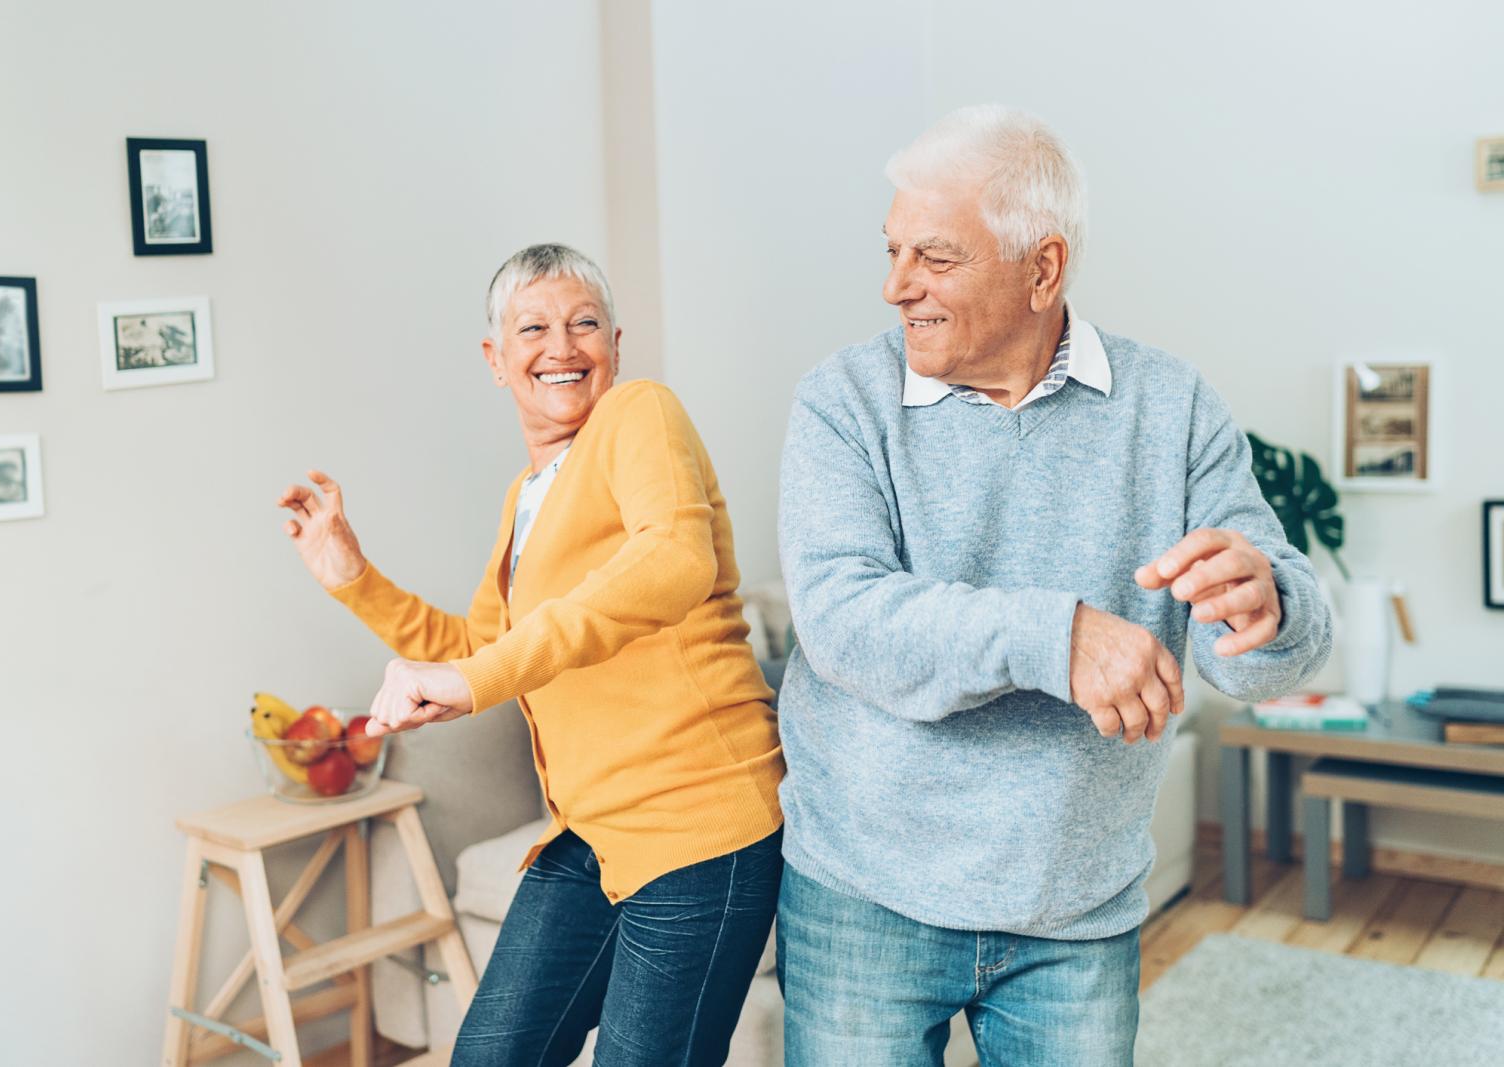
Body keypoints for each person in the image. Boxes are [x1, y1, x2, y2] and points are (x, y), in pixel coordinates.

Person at [774, 105, 1333, 1065]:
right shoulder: (844, 401)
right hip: (864, 894)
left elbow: (1255, 654)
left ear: (1044, 268)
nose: (895, 285)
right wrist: (1058, 635)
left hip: (1076, 910)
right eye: (895, 250)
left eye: (934, 257)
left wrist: (1266, 608)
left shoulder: (1174, 408)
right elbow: (843, 620)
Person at [278, 244, 784, 1067]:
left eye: (585, 323)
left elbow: (675, 559)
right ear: (496, 359)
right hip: (590, 832)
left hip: (700, 826)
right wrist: (354, 578)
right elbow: (482, 649)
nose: (563, 346)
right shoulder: (527, 500)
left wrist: (475, 678)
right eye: (534, 327)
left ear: (616, 346)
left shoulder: (639, 413)